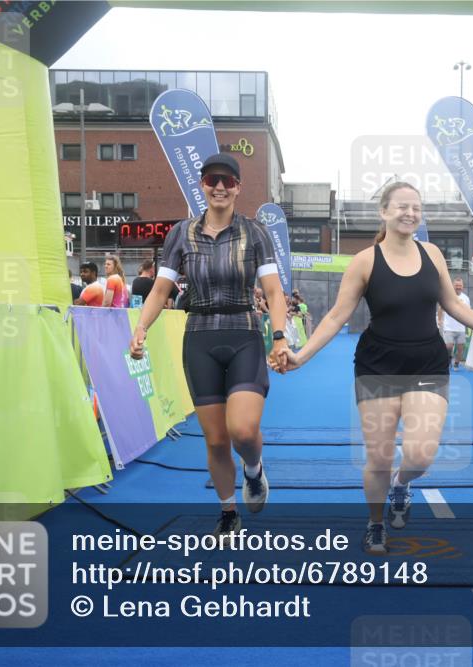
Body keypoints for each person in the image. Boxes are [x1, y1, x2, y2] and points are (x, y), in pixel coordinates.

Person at [273, 182, 473, 554]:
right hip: (378, 366)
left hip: (427, 364)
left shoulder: (432, 254)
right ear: (383, 212)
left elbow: (453, 305)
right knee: (380, 457)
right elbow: (337, 315)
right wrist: (301, 356)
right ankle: (374, 523)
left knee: (420, 455)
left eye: (416, 207)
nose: (410, 213)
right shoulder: (365, 261)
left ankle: (402, 485)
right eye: (402, 206)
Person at [129, 153, 289, 538]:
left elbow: (273, 290)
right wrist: (141, 329)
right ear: (202, 185)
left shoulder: (255, 233)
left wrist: (280, 335)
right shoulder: (180, 234)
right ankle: (228, 512)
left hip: (244, 335)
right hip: (199, 337)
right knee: (216, 440)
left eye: (227, 181)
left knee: (244, 431)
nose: (219, 187)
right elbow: (161, 289)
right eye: (212, 179)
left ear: (238, 188)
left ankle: (254, 471)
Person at [437, 278, 471, 369]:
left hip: (461, 328)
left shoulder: (466, 299)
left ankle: (456, 363)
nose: (458, 287)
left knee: (460, 350)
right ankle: (449, 358)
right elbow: (440, 308)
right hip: (449, 328)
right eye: (456, 285)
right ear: (453, 286)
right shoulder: (447, 296)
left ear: (462, 287)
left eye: (460, 285)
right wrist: (440, 320)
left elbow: (469, 312)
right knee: (449, 347)